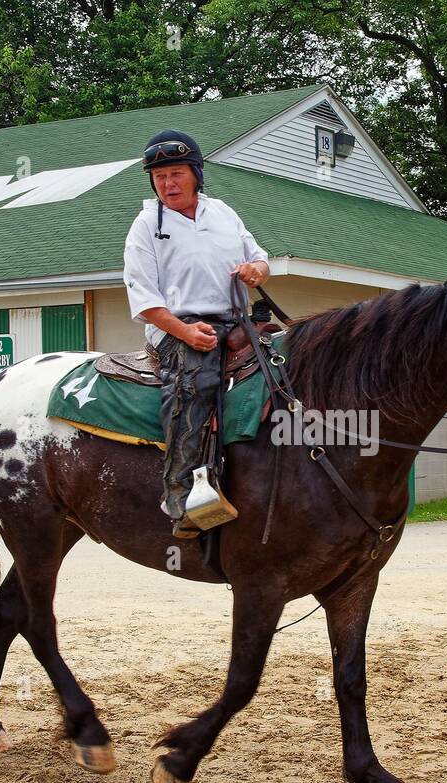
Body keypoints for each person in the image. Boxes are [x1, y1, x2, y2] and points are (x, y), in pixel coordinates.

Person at [122, 129, 271, 538]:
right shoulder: (144, 227)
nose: (168, 184)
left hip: (234, 320)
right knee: (196, 384)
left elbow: (258, 258)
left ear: (196, 174)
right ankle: (182, 497)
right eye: (160, 177)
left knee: (287, 362)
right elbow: (145, 301)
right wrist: (185, 333)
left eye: (176, 174)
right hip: (175, 327)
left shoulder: (222, 212)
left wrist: (255, 270)